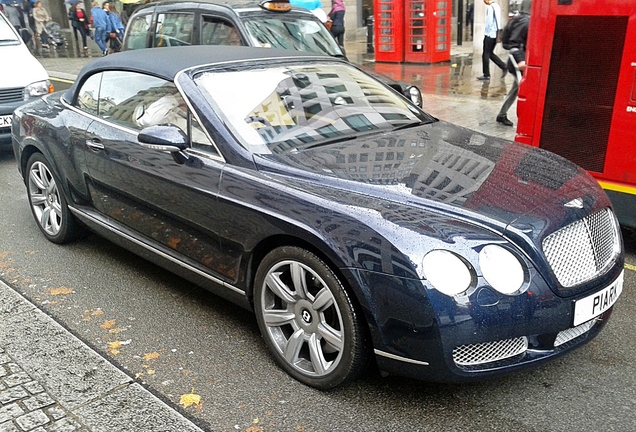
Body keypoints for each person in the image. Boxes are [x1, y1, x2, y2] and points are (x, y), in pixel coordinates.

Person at [496, 0, 531, 126]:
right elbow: (514, 43)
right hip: (518, 63)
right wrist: (521, 60)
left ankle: (502, 114)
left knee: (515, 89)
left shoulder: (519, 19)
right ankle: (526, 119)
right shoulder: (525, 21)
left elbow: (506, 41)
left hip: (517, 62)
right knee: (524, 89)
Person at [477, 0, 506, 81]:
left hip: (490, 34)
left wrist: (486, 33)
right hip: (495, 34)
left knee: (485, 54)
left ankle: (486, 74)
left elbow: (489, 23)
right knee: (490, 53)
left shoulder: (490, 8)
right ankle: (503, 66)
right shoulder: (497, 6)